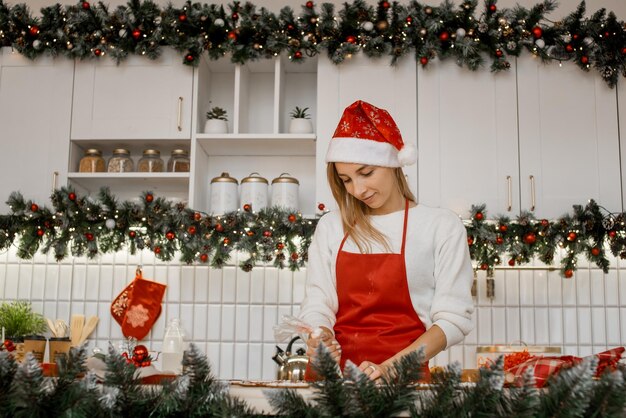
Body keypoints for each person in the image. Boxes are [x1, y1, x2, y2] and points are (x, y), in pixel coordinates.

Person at [299, 100, 474, 381]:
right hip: (331, 383)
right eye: (345, 179)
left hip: (404, 384)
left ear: (393, 163)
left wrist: (392, 368)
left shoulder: (439, 226)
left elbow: (454, 320)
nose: (357, 189)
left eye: (366, 173)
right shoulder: (332, 226)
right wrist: (319, 336)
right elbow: (318, 302)